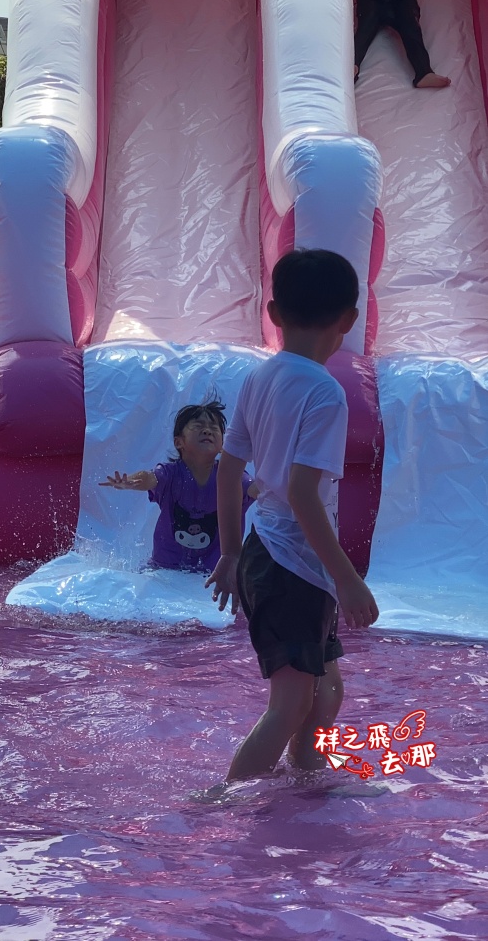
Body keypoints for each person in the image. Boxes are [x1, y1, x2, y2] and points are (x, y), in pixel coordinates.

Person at [206, 249, 379, 783]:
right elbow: (304, 494)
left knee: (326, 691)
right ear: (350, 321)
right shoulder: (325, 393)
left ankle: (308, 775)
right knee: (290, 702)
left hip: (272, 555)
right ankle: (221, 801)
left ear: (274, 313)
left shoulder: (262, 377)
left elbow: (231, 466)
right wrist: (349, 581)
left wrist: (233, 550)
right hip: (292, 567)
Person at [100, 400, 257, 574]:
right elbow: (149, 478)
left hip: (212, 573)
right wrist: (130, 481)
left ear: (223, 446)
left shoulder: (230, 476)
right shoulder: (171, 474)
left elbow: (256, 489)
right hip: (165, 568)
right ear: (178, 442)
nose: (207, 430)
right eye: (198, 426)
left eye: (214, 428)